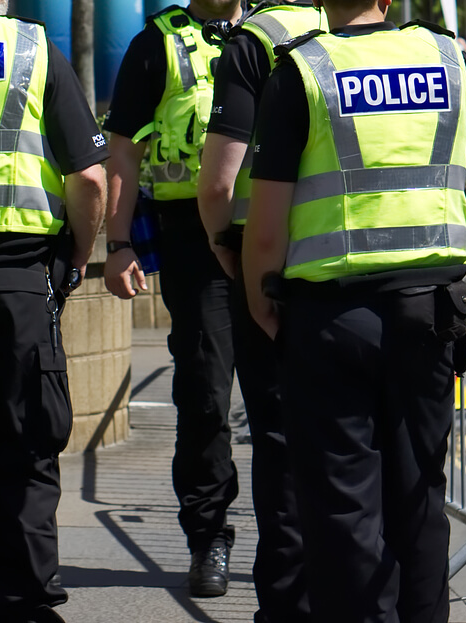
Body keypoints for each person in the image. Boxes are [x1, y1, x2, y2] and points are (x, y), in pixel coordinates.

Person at [241, 0, 466, 620]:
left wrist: (261, 304)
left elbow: (266, 229)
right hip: (427, 317)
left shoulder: (301, 73)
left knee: (345, 511)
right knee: (419, 501)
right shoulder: (447, 63)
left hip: (329, 319)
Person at [0, 2, 108, 622]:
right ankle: (26, 600)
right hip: (18, 279)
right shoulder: (33, 49)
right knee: (24, 442)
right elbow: (88, 176)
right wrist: (79, 255)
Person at [104, 0, 243, 598]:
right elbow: (123, 153)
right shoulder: (155, 46)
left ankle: (297, 541)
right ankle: (207, 537)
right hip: (193, 240)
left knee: (291, 398)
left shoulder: (274, 32)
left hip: (274, 228)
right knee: (206, 394)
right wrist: (117, 242)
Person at [196, 1, 324, 620]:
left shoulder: (255, 41)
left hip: (273, 274)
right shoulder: (380, 37)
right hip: (374, 279)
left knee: (280, 445)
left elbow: (219, 183)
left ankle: (287, 605)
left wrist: (230, 252)